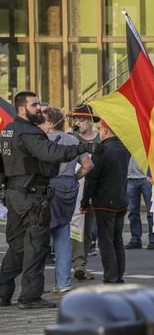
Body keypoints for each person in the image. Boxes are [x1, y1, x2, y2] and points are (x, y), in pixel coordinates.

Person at [0, 91, 97, 309]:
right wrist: (84, 147)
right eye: (35, 106)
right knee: (36, 246)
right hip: (31, 195)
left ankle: (3, 292)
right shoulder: (29, 133)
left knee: (17, 246)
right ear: (22, 109)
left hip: (15, 194)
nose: (40, 110)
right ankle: (30, 296)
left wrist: (4, 190)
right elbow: (52, 152)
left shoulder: (8, 130)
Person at [44, 107, 94, 293]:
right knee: (64, 232)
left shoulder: (44, 140)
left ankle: (35, 284)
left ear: (49, 122)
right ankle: (64, 282)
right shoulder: (73, 140)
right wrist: (74, 178)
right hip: (68, 187)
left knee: (41, 234)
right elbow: (88, 165)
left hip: (49, 186)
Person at [80, 119, 131, 284]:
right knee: (117, 240)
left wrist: (84, 201)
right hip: (121, 200)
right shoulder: (124, 148)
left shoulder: (102, 150)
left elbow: (91, 180)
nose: (99, 131)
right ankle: (118, 274)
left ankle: (111, 275)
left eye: (100, 128)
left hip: (104, 201)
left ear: (106, 130)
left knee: (106, 241)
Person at [67, 105, 101, 281]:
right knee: (76, 226)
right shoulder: (72, 139)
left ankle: (82, 262)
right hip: (77, 190)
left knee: (89, 228)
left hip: (96, 189)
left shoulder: (101, 139)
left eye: (81, 119)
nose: (78, 122)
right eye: (75, 119)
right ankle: (77, 263)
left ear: (90, 120)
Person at [124, 156, 154, 250]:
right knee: (133, 212)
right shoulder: (127, 141)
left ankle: (153, 239)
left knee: (151, 211)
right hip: (130, 177)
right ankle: (135, 239)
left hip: (146, 177)